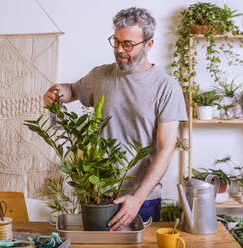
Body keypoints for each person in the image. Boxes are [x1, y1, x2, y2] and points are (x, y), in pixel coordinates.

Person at [43, 7, 187, 231]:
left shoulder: (165, 87)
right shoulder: (101, 76)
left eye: (128, 44)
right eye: (116, 41)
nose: (120, 50)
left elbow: (166, 149)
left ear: (148, 44)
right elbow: (73, 90)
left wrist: (137, 199)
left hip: (142, 200)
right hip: (98, 193)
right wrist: (58, 92)